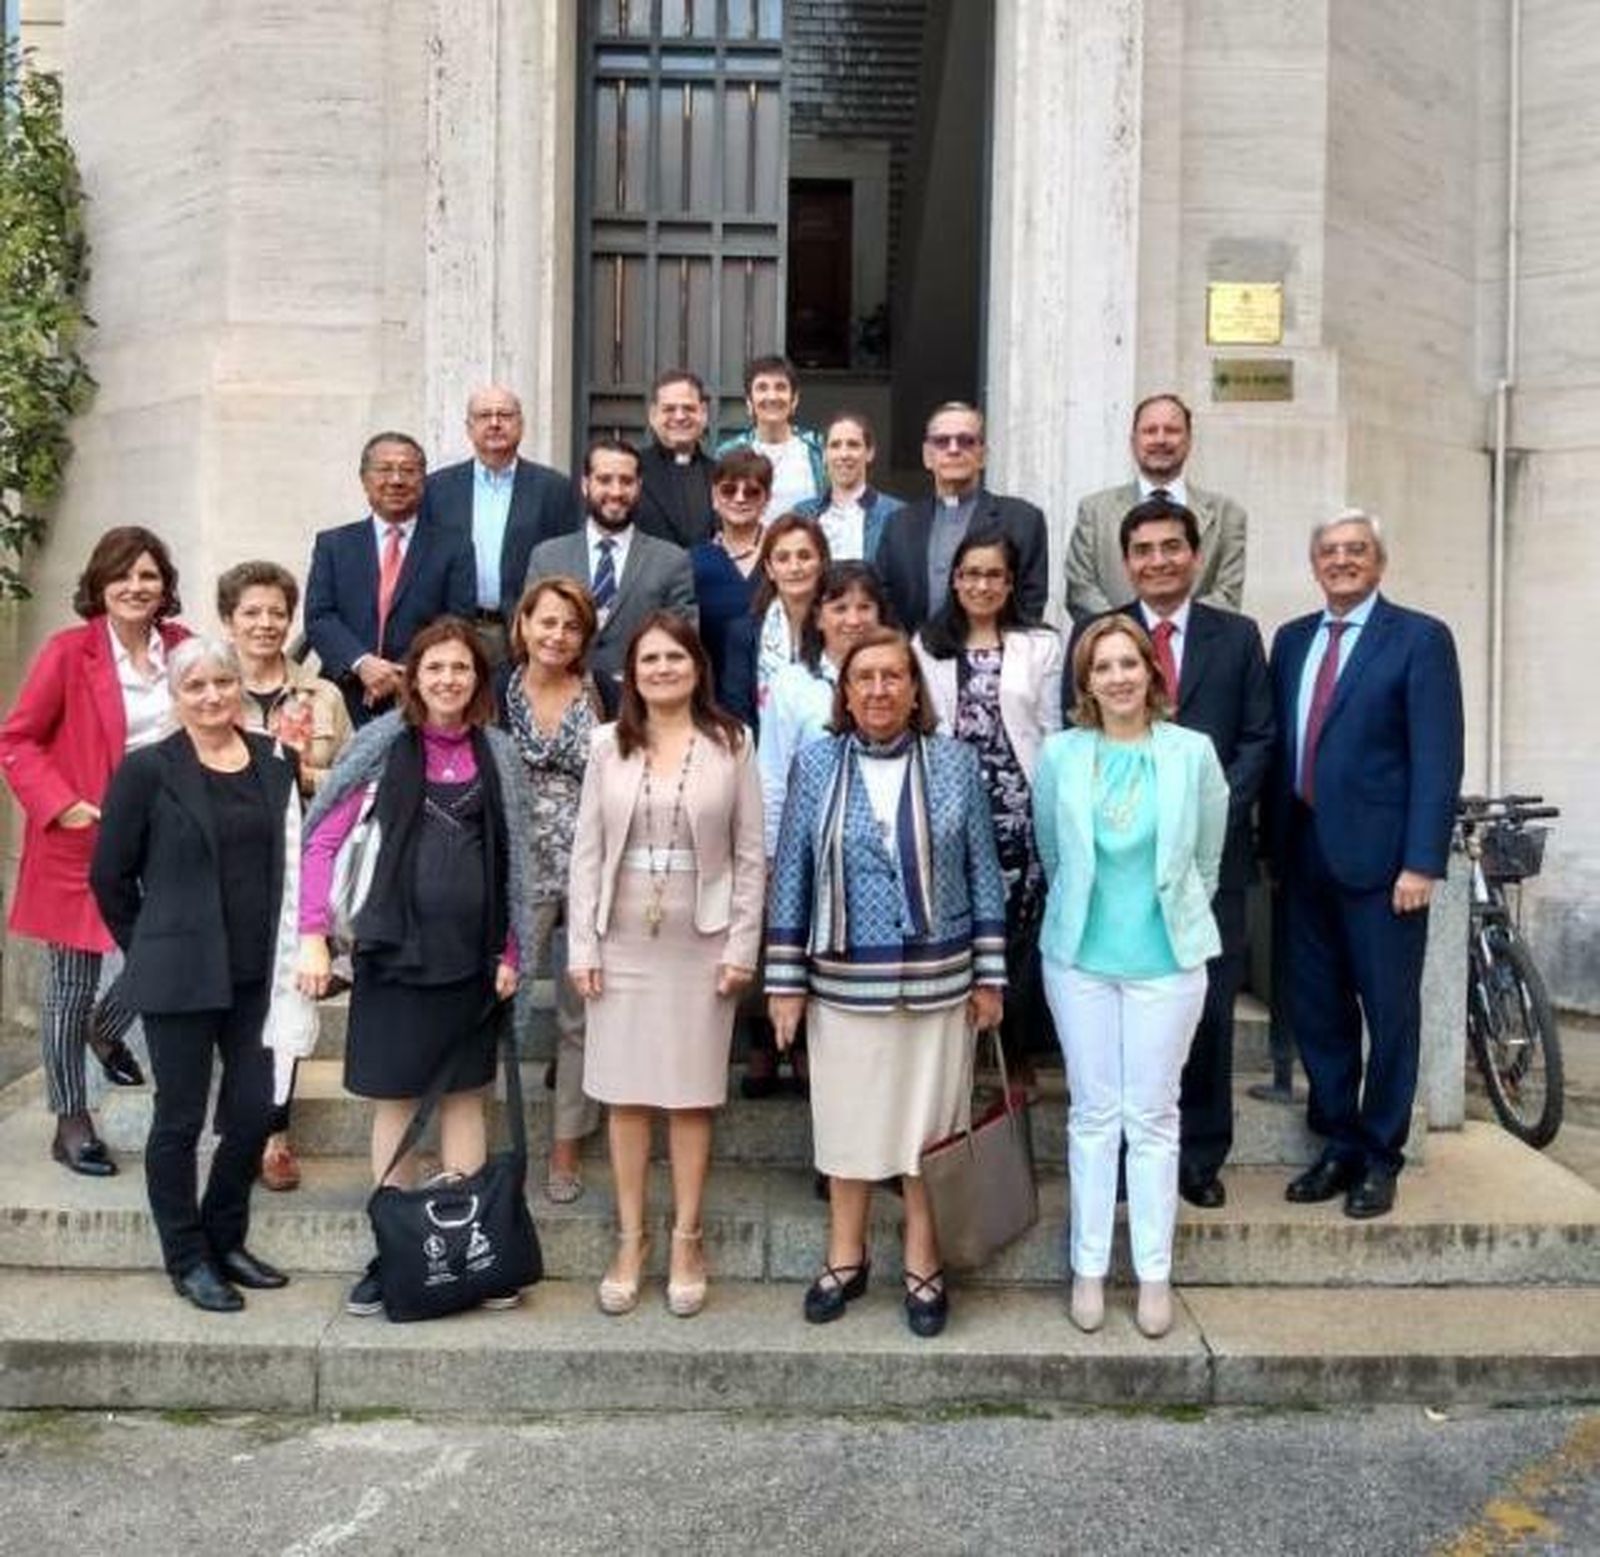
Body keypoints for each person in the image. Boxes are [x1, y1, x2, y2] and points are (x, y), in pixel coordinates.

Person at [766, 628, 1007, 1339]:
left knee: (927, 1133)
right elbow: (792, 879)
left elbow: (984, 874)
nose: (878, 689)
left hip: (939, 981)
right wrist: (784, 983)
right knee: (846, 1126)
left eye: (892, 676)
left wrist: (990, 976)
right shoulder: (816, 765)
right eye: (863, 677)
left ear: (913, 688)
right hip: (842, 983)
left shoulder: (956, 763)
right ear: (844, 691)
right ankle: (846, 1254)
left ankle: (922, 1259)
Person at [297, 618, 534, 1317]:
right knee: (398, 1103)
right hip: (393, 959)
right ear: (413, 674)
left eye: (462, 668)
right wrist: (313, 936)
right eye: (435, 667)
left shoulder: (500, 754)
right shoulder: (379, 743)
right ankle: (397, 1249)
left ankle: (464, 1249)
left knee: (464, 1100)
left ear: (478, 680)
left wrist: (514, 953)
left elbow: (519, 863)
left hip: (472, 963)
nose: (448, 679)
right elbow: (320, 841)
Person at [1065, 495, 1273, 1208]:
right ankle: (1124, 1161)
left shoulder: (1238, 636)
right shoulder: (1098, 633)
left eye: (1171, 547)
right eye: (1144, 550)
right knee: (1120, 1035)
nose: (1158, 560)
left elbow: (1259, 738)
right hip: (1116, 879)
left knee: (1209, 1015)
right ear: (1127, 562)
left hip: (1209, 865)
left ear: (1195, 554)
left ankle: (1200, 1155)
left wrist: (1201, 811)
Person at [90, 638, 300, 1312]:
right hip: (181, 975)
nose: (212, 696)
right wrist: (151, 944)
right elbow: (110, 876)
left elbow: (293, 861)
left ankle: (224, 1235)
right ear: (176, 698)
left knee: (253, 1110)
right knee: (178, 1120)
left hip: (258, 975)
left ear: (241, 686)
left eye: (223, 682)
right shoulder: (147, 770)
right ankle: (186, 1258)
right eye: (196, 686)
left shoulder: (276, 761)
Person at [1034, 615, 1229, 1340]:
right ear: (1085, 682)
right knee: (1092, 1115)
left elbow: (1207, 858)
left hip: (1166, 963)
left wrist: (1170, 917)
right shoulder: (1061, 754)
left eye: (1128, 663)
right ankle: (1088, 1267)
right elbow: (1054, 851)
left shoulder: (1193, 754)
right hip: (1080, 959)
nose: (1117, 677)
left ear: (1153, 671)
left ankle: (1154, 1273)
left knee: (1151, 1118)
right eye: (1101, 666)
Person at [567, 613, 764, 1319]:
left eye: (674, 657)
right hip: (621, 935)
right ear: (631, 669)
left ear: (696, 665)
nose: (661, 669)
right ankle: (631, 1238)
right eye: (648, 658)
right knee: (624, 1095)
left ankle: (687, 1236)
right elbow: (586, 849)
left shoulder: (730, 741)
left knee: (688, 1094)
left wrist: (743, 945)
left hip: (700, 937)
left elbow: (749, 852)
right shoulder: (604, 744)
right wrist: (582, 946)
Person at [1268, 510, 1463, 1220]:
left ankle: (1382, 1153)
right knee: (1318, 1010)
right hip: (1304, 854)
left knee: (1389, 1010)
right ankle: (1338, 1141)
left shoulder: (1419, 639)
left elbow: (1437, 759)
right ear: (1314, 563)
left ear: (1379, 562)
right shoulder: (1290, 641)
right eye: (1329, 551)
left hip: (1385, 868)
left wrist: (1423, 861)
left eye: (1356, 550)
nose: (1342, 561)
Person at [0, 526, 190, 1177]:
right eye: (123, 576)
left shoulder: (186, 649)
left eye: (149, 575)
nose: (137, 587)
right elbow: (18, 741)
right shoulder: (68, 651)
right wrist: (62, 803)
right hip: (82, 837)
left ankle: (107, 1029)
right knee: (69, 987)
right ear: (100, 586)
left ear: (165, 584)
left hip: (168, 836)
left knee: (166, 953)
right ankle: (70, 1117)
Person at [217, 559, 354, 1193]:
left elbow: (354, 784)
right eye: (252, 612)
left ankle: (275, 1132)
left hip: (301, 869)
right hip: (227, 870)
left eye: (277, 612)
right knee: (235, 1000)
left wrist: (298, 774)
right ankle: (234, 1124)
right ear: (229, 619)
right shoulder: (209, 686)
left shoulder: (321, 696)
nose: (266, 624)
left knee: (291, 994)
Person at [914, 533, 1063, 1073]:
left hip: (1018, 806)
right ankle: (958, 1043)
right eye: (971, 573)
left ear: (1009, 582)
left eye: (993, 575)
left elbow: (1050, 730)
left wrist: (1048, 808)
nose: (981, 584)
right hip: (951, 804)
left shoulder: (1040, 644)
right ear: (955, 579)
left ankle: (1011, 1047)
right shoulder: (925, 645)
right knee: (958, 914)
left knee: (1017, 923)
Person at [496, 577, 605, 1203]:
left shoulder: (602, 693)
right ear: (524, 624)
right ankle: (483, 1136)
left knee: (578, 1013)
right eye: (547, 622)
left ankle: (566, 1145)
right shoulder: (495, 692)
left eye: (570, 626)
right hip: (517, 864)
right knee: (500, 1004)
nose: (557, 635)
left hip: (588, 866)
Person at [304, 431, 476, 725]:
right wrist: (362, 663)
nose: (396, 480)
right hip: (344, 695)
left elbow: (458, 620)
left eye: (408, 471)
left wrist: (403, 673)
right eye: (384, 469)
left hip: (422, 697)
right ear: (364, 479)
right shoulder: (334, 544)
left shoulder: (453, 546)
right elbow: (319, 617)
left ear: (423, 481)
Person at [523, 438, 697, 714]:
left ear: (639, 487)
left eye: (626, 481)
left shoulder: (671, 561)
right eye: (604, 480)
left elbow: (684, 643)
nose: (616, 491)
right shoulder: (547, 557)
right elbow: (529, 637)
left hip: (641, 709)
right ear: (585, 485)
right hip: (558, 707)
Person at [422, 385, 582, 653]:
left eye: (505, 415)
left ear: (521, 424)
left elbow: (567, 561)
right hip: (454, 630)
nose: (495, 423)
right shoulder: (436, 489)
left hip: (526, 632)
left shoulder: (554, 489)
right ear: (469, 427)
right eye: (484, 416)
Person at [1065, 392, 1247, 622]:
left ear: (1189, 440)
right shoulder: (1094, 511)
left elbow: (1227, 595)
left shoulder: (1227, 514)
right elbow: (1081, 590)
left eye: (1172, 430)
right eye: (1150, 431)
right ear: (1133, 442)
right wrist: (1131, 636)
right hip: (1116, 649)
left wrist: (1173, 631)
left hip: (1198, 651)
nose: (1161, 439)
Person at [875, 401, 1049, 632]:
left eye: (966, 441)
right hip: (914, 659)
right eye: (942, 441)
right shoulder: (899, 524)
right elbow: (884, 600)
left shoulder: (1023, 520)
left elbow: (1030, 602)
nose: (954, 449)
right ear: (927, 456)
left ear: (983, 455)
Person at [721, 512, 831, 734]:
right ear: (770, 570)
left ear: (821, 563)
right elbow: (736, 712)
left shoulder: (842, 626)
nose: (794, 567)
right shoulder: (744, 632)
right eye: (783, 558)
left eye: (804, 556)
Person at [689, 448, 773, 706]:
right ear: (714, 497)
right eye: (728, 490)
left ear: (767, 499)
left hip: (776, 701)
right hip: (711, 703)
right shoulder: (690, 562)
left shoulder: (785, 556)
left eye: (752, 491)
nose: (739, 499)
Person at [712, 353, 825, 521]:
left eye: (780, 387)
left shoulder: (819, 449)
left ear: (794, 400)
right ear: (749, 402)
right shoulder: (727, 453)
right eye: (762, 388)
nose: (772, 397)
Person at [792, 409, 904, 562]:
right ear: (824, 454)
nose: (844, 454)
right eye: (835, 445)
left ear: (870, 452)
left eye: (853, 445)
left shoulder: (896, 515)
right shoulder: (802, 514)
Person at [635, 368, 717, 549]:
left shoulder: (721, 476)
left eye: (688, 408)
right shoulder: (631, 471)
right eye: (669, 409)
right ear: (653, 415)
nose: (680, 417)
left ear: (703, 413)